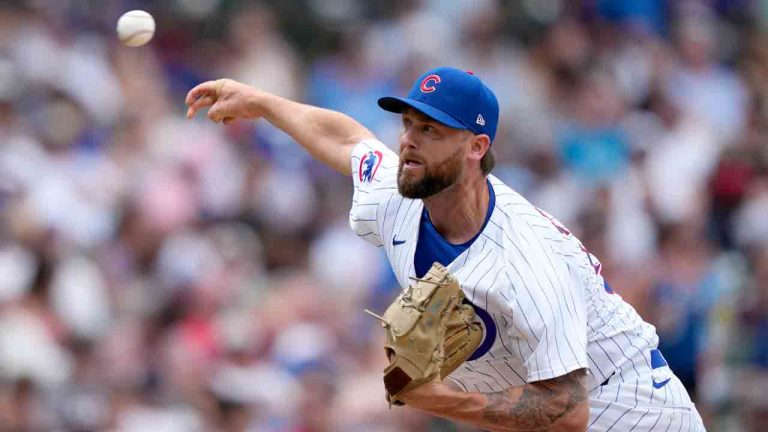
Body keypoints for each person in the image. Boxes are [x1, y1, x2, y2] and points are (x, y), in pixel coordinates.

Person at [185, 66, 706, 431]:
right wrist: (263, 103)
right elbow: (348, 141)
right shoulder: (401, 190)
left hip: (627, 409)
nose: (409, 141)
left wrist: (441, 401)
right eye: (408, 124)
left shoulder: (526, 260)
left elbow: (568, 410)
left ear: (477, 147)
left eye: (430, 129)